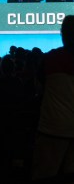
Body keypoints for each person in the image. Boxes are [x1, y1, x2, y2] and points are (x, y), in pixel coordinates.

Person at [32, 15, 74, 181]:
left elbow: (39, 88)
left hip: (52, 129)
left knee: (45, 174)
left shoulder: (50, 59)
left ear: (63, 34)